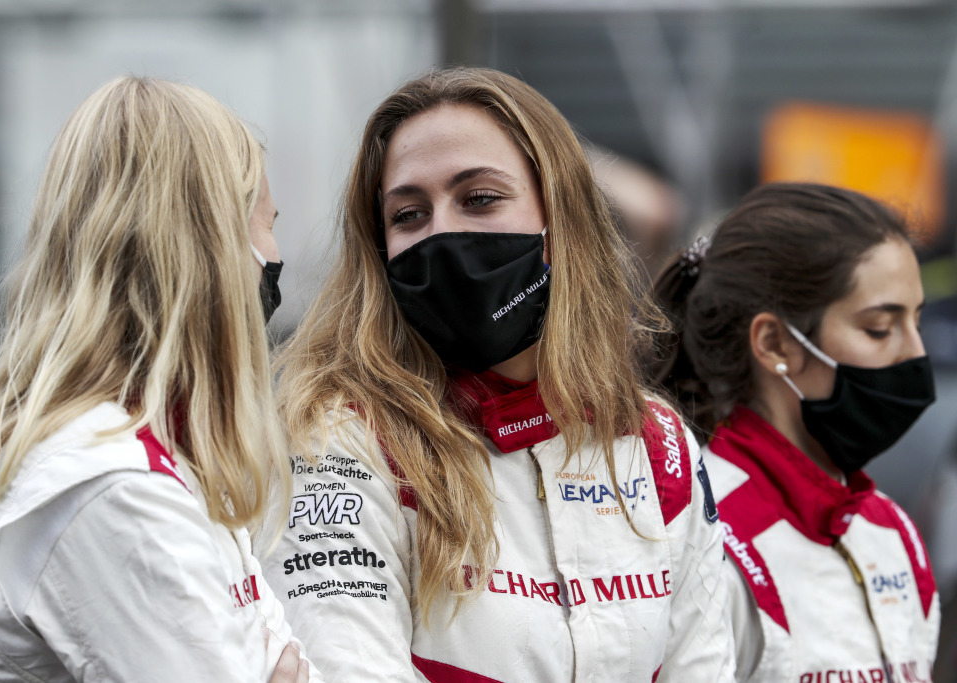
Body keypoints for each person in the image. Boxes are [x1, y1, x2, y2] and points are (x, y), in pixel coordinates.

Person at [265, 66, 734, 681]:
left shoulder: (658, 444)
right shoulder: (335, 438)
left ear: (558, 218)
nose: (443, 233)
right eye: (408, 214)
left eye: (479, 199)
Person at [0, 76, 319, 682]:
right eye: (265, 223)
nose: (274, 255)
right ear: (208, 252)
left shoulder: (147, 448)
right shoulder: (107, 482)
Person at [651, 182, 941, 681]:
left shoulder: (891, 531)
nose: (915, 354)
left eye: (916, 320)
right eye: (879, 328)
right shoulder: (699, 531)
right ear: (776, 344)